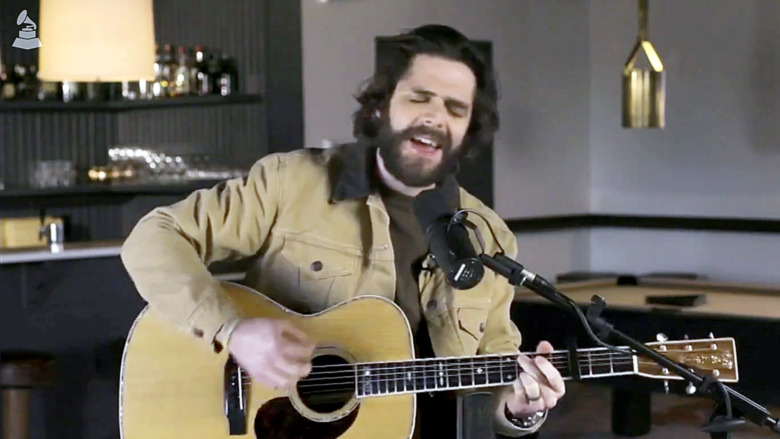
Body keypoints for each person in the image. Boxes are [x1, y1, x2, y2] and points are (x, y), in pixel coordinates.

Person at [120, 24, 566, 438]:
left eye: (455, 108)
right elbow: (154, 237)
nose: (435, 116)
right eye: (419, 97)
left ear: (469, 130)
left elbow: (492, 379)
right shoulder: (291, 182)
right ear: (380, 105)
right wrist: (234, 331)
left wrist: (520, 410)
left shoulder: (488, 236)